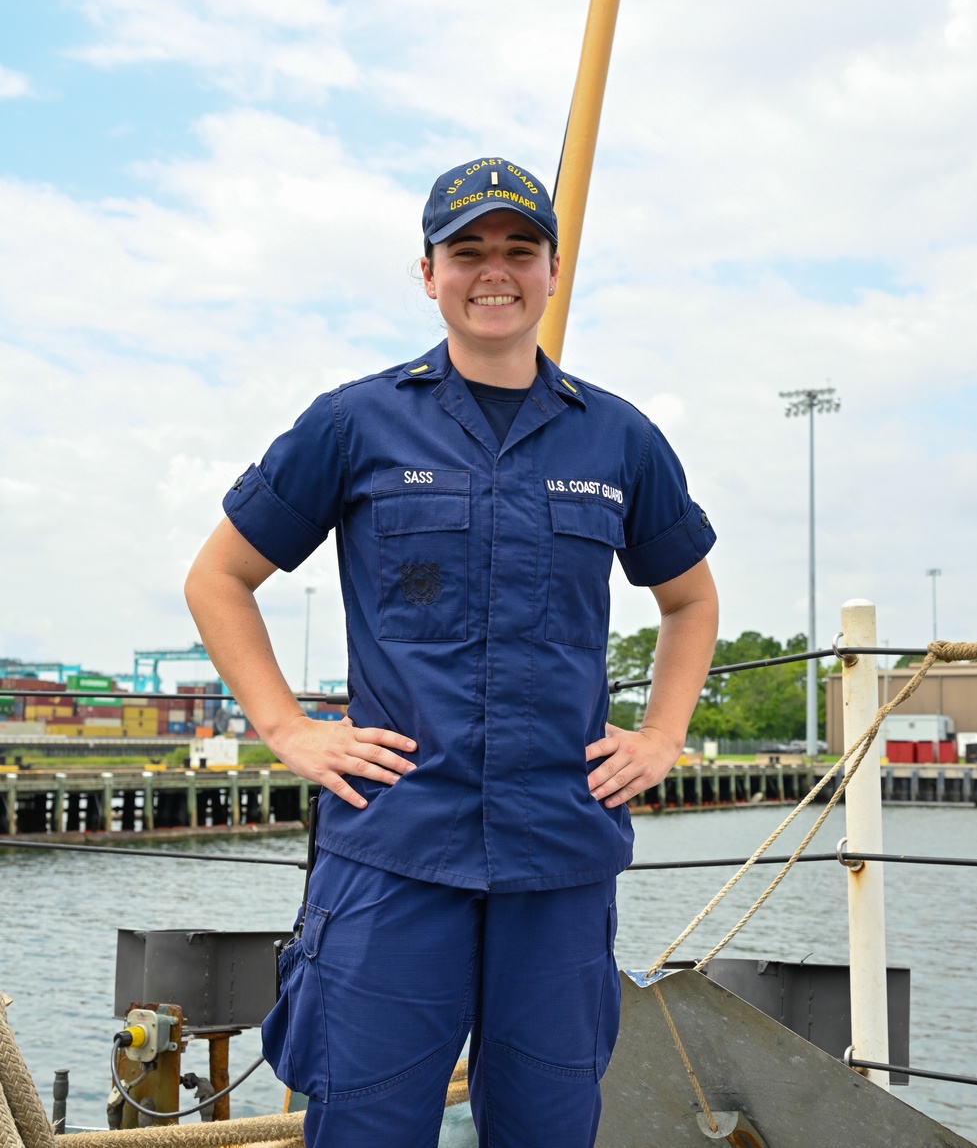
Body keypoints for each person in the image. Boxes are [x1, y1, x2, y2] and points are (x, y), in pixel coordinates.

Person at [184, 155, 718, 1148]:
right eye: (465, 249)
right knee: (367, 1129)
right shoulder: (353, 423)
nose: (493, 271)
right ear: (427, 273)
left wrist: (661, 735)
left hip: (557, 855)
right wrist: (287, 729)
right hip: (394, 849)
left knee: (547, 1130)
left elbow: (688, 599)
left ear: (554, 270)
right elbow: (219, 577)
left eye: (519, 249)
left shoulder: (619, 439)